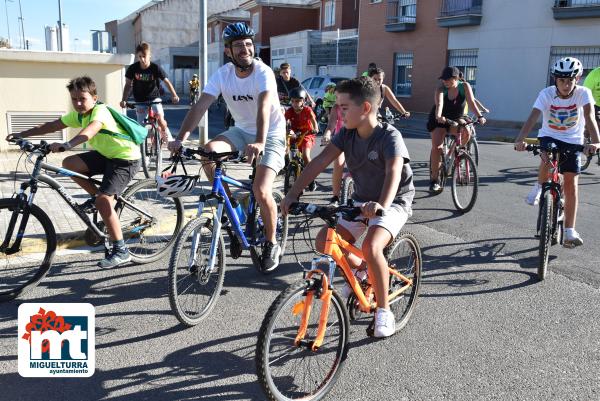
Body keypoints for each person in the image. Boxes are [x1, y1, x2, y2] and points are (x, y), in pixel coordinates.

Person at [282, 77, 415, 338]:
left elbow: (394, 173)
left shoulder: (389, 136)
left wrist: (380, 206)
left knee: (372, 245)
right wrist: (292, 194)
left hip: (394, 200)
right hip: (361, 200)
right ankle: (363, 270)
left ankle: (383, 312)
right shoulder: (348, 134)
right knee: (324, 241)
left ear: (365, 108)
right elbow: (319, 162)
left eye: (343, 107)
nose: (337, 112)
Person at [167, 22, 286, 271]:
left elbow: (264, 108)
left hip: (271, 133)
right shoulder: (223, 74)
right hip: (241, 131)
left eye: (248, 44)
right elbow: (200, 106)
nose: (245, 48)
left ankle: (271, 242)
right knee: (208, 153)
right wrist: (181, 138)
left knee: (261, 189)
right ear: (228, 51)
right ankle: (232, 208)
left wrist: (260, 142)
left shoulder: (263, 73)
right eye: (238, 45)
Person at [6, 76, 142, 268]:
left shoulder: (100, 111)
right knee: (69, 163)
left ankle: (121, 250)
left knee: (104, 201)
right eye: (74, 99)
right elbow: (52, 126)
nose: (78, 103)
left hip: (125, 159)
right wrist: (22, 134)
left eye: (82, 99)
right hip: (106, 155)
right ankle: (98, 198)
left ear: (94, 98)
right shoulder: (79, 115)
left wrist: (67, 144)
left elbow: (91, 131)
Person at [514, 57, 600, 247]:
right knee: (547, 157)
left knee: (571, 183)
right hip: (549, 136)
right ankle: (539, 187)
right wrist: (520, 139)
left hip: (573, 140)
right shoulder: (546, 94)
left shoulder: (584, 93)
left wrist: (595, 142)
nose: (566, 84)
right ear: (555, 80)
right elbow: (533, 117)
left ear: (577, 79)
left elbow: (589, 117)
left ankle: (569, 231)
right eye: (562, 80)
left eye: (570, 80)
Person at [427, 66, 486, 192]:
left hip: (457, 117)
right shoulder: (441, 89)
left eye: (447, 79)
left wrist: (480, 116)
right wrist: (438, 116)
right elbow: (439, 104)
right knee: (437, 147)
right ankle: (434, 180)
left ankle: (458, 152)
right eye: (443, 79)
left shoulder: (464, 86)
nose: (444, 82)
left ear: (456, 78)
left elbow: (471, 102)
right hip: (440, 118)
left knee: (467, 131)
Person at [120, 41, 179, 142]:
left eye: (144, 56)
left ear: (149, 55)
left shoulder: (155, 68)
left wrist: (174, 95)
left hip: (154, 98)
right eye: (139, 56)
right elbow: (128, 85)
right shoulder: (133, 69)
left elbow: (167, 82)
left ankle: (165, 133)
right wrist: (123, 100)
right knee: (141, 126)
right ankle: (143, 152)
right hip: (139, 100)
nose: (142, 59)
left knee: (160, 119)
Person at [284, 87, 318, 191]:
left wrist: (315, 128)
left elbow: (313, 121)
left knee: (305, 156)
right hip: (295, 135)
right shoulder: (289, 111)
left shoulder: (307, 110)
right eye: (293, 101)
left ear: (303, 101)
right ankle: (289, 169)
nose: (295, 103)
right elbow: (283, 122)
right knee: (285, 149)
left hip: (307, 134)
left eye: (298, 101)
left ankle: (312, 179)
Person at [321, 101, 345, 205]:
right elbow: (331, 125)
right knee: (338, 164)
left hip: (357, 140)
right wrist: (327, 134)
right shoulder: (336, 107)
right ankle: (335, 196)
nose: (338, 99)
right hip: (341, 139)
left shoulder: (357, 104)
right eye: (337, 96)